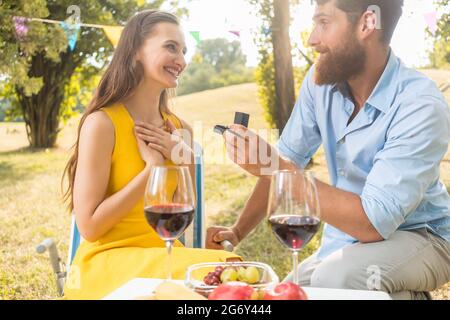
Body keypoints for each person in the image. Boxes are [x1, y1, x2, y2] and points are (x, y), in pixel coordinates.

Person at [206, 0, 450, 299]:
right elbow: (287, 159)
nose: (312, 39)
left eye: (323, 22)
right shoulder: (320, 84)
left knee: (340, 278)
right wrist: (237, 231)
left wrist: (274, 167)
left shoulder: (419, 104)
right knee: (287, 294)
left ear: (367, 23)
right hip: (345, 240)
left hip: (421, 235)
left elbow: (374, 222)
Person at [62, 10, 239, 300]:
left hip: (165, 255)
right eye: (170, 47)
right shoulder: (102, 124)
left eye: (183, 50)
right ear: (135, 52)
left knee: (234, 272)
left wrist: (181, 159)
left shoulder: (180, 130)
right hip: (108, 264)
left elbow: (184, 216)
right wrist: (152, 170)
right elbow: (90, 227)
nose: (181, 60)